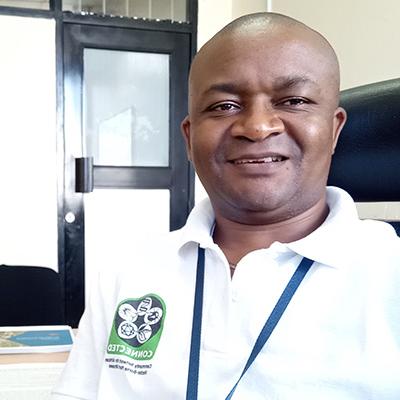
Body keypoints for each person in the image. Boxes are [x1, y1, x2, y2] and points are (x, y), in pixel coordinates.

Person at [52, 12, 400, 400]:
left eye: (293, 101)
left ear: (334, 129)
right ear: (189, 137)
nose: (257, 127)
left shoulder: (389, 274)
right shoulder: (130, 271)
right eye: (224, 106)